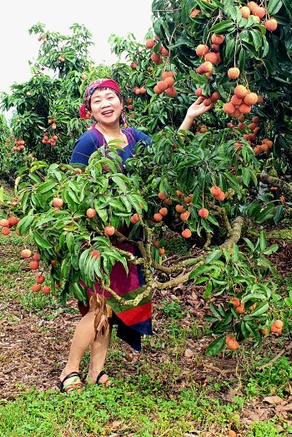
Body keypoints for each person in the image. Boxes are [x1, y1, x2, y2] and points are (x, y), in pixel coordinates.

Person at [58, 78, 212, 392]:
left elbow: (162, 159)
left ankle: (96, 372)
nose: (105, 103)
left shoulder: (135, 137)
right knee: (100, 305)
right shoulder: (89, 142)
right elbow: (72, 189)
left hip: (130, 237)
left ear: (121, 103)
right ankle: (69, 369)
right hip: (99, 238)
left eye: (110, 97)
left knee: (112, 307)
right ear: (90, 110)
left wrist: (188, 119)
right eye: (97, 99)